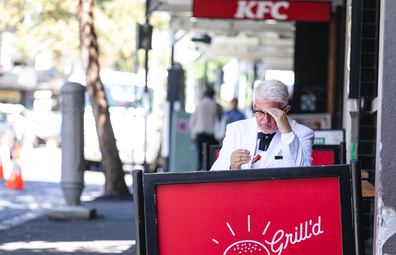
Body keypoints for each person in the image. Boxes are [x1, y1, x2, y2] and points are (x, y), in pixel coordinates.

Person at [211, 79, 314, 170]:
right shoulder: (235, 130)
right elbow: (215, 174)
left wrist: (287, 133)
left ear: (286, 110)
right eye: (260, 112)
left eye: (272, 114)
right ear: (253, 105)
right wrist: (232, 166)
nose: (265, 120)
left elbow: (301, 173)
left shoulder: (303, 133)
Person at [190, 87, 222, 170]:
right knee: (212, 156)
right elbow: (220, 118)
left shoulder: (199, 104)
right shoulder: (216, 105)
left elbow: (192, 121)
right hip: (212, 135)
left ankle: (201, 172)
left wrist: (193, 134)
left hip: (200, 134)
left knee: (201, 157)